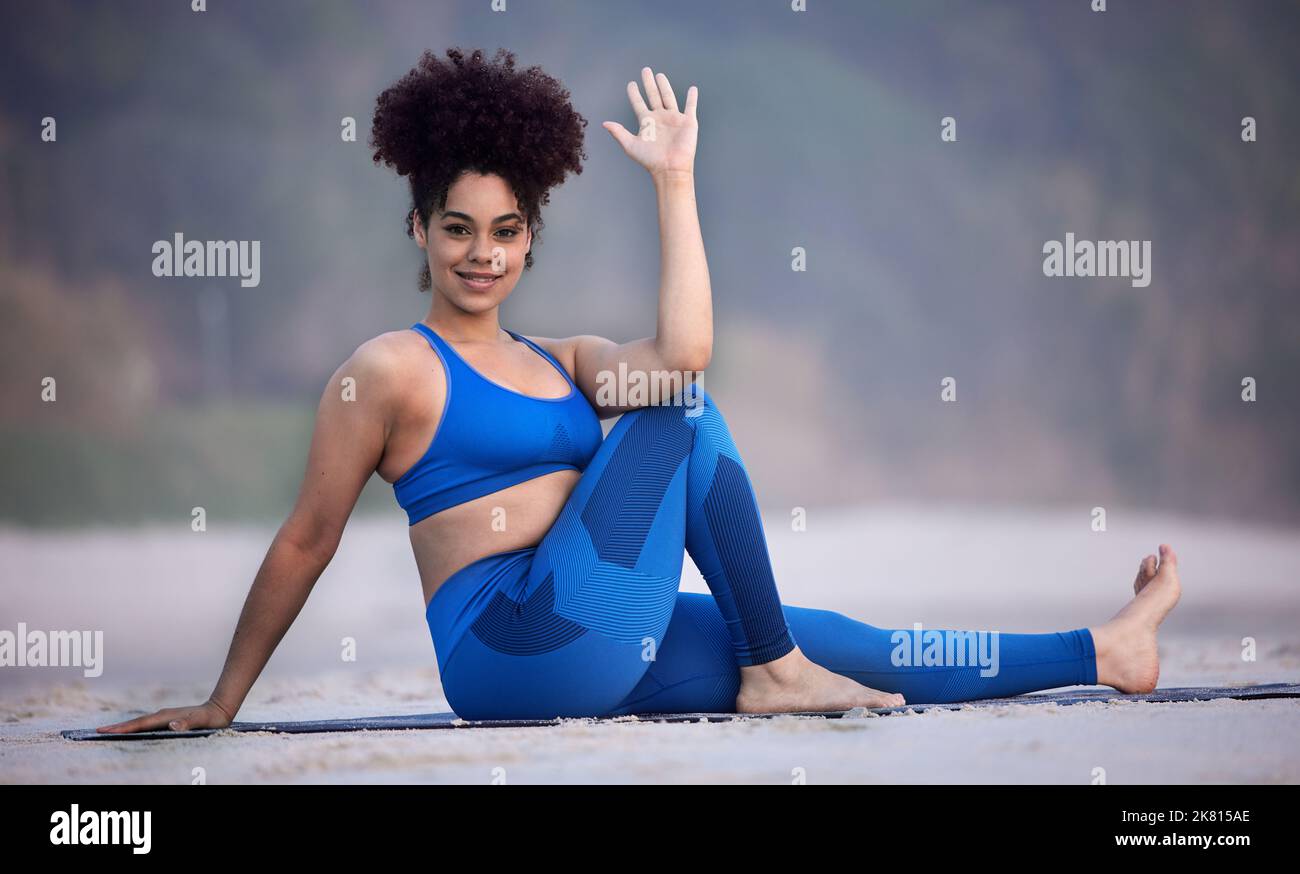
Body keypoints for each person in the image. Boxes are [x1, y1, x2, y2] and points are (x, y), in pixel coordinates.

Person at [99, 47, 1180, 731]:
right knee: (684, 413)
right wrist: (222, 700)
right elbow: (305, 538)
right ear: (419, 228)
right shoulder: (387, 369)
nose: (482, 254)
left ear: (532, 239)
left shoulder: (566, 358)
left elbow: (684, 346)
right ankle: (772, 669)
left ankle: (1104, 649)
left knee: (850, 641)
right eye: (458, 229)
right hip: (510, 648)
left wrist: (674, 182)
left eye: (507, 231)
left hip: (611, 632)